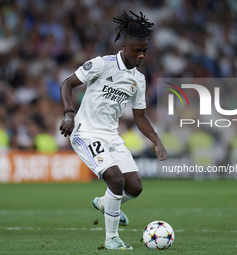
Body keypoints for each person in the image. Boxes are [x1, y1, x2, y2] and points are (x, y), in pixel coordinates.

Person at [59, 10, 167, 250]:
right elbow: (67, 83)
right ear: (125, 45)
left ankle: (105, 203)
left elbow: (140, 117)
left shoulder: (138, 79)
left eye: (145, 51)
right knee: (115, 180)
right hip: (86, 133)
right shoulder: (102, 64)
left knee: (135, 187)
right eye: (137, 50)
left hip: (111, 136)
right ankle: (111, 239)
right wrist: (69, 114)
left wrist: (157, 141)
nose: (141, 55)